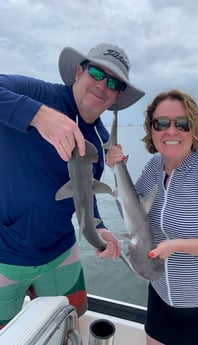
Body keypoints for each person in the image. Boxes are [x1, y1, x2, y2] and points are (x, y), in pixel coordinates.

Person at [0, 43, 145, 329]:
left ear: (117, 95)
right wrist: (40, 116)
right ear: (79, 71)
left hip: (62, 253)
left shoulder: (100, 140)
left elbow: (84, 192)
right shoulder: (38, 94)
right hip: (4, 255)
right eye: (96, 72)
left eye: (113, 82)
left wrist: (99, 225)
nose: (102, 85)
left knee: (69, 328)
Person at [106, 89, 198, 345]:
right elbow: (132, 216)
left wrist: (178, 246)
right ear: (152, 129)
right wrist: (118, 170)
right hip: (163, 301)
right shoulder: (153, 168)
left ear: (194, 128)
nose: (170, 131)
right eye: (161, 123)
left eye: (181, 123)